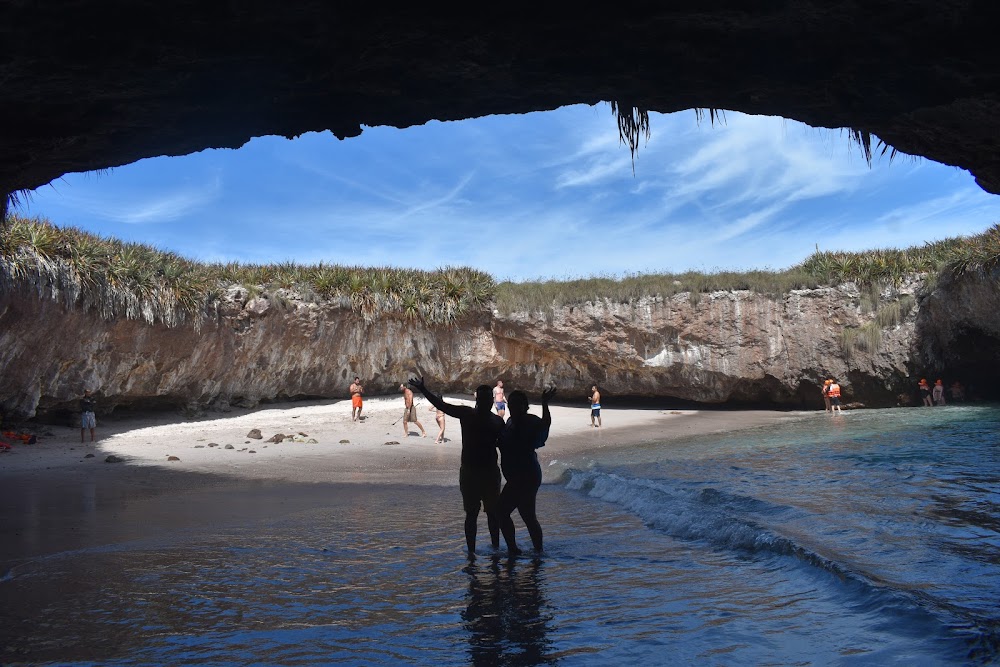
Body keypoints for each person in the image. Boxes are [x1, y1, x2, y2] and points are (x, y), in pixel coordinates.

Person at [409, 377, 516, 558]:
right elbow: (441, 406)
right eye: (482, 398)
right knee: (478, 514)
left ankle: (488, 551)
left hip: (485, 471)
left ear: (490, 400)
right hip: (474, 471)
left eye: (486, 398)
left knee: (489, 514)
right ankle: (478, 551)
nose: (484, 401)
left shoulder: (493, 421)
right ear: (480, 400)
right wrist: (423, 389)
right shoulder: (471, 415)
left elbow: (506, 447)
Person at [497, 387, 556, 554]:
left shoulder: (529, 420)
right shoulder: (510, 422)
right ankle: (538, 552)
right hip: (521, 475)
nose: (513, 407)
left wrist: (545, 403)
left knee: (501, 511)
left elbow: (545, 424)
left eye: (517, 404)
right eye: (511, 404)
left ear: (524, 406)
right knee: (528, 516)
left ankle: (514, 550)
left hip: (525, 475)